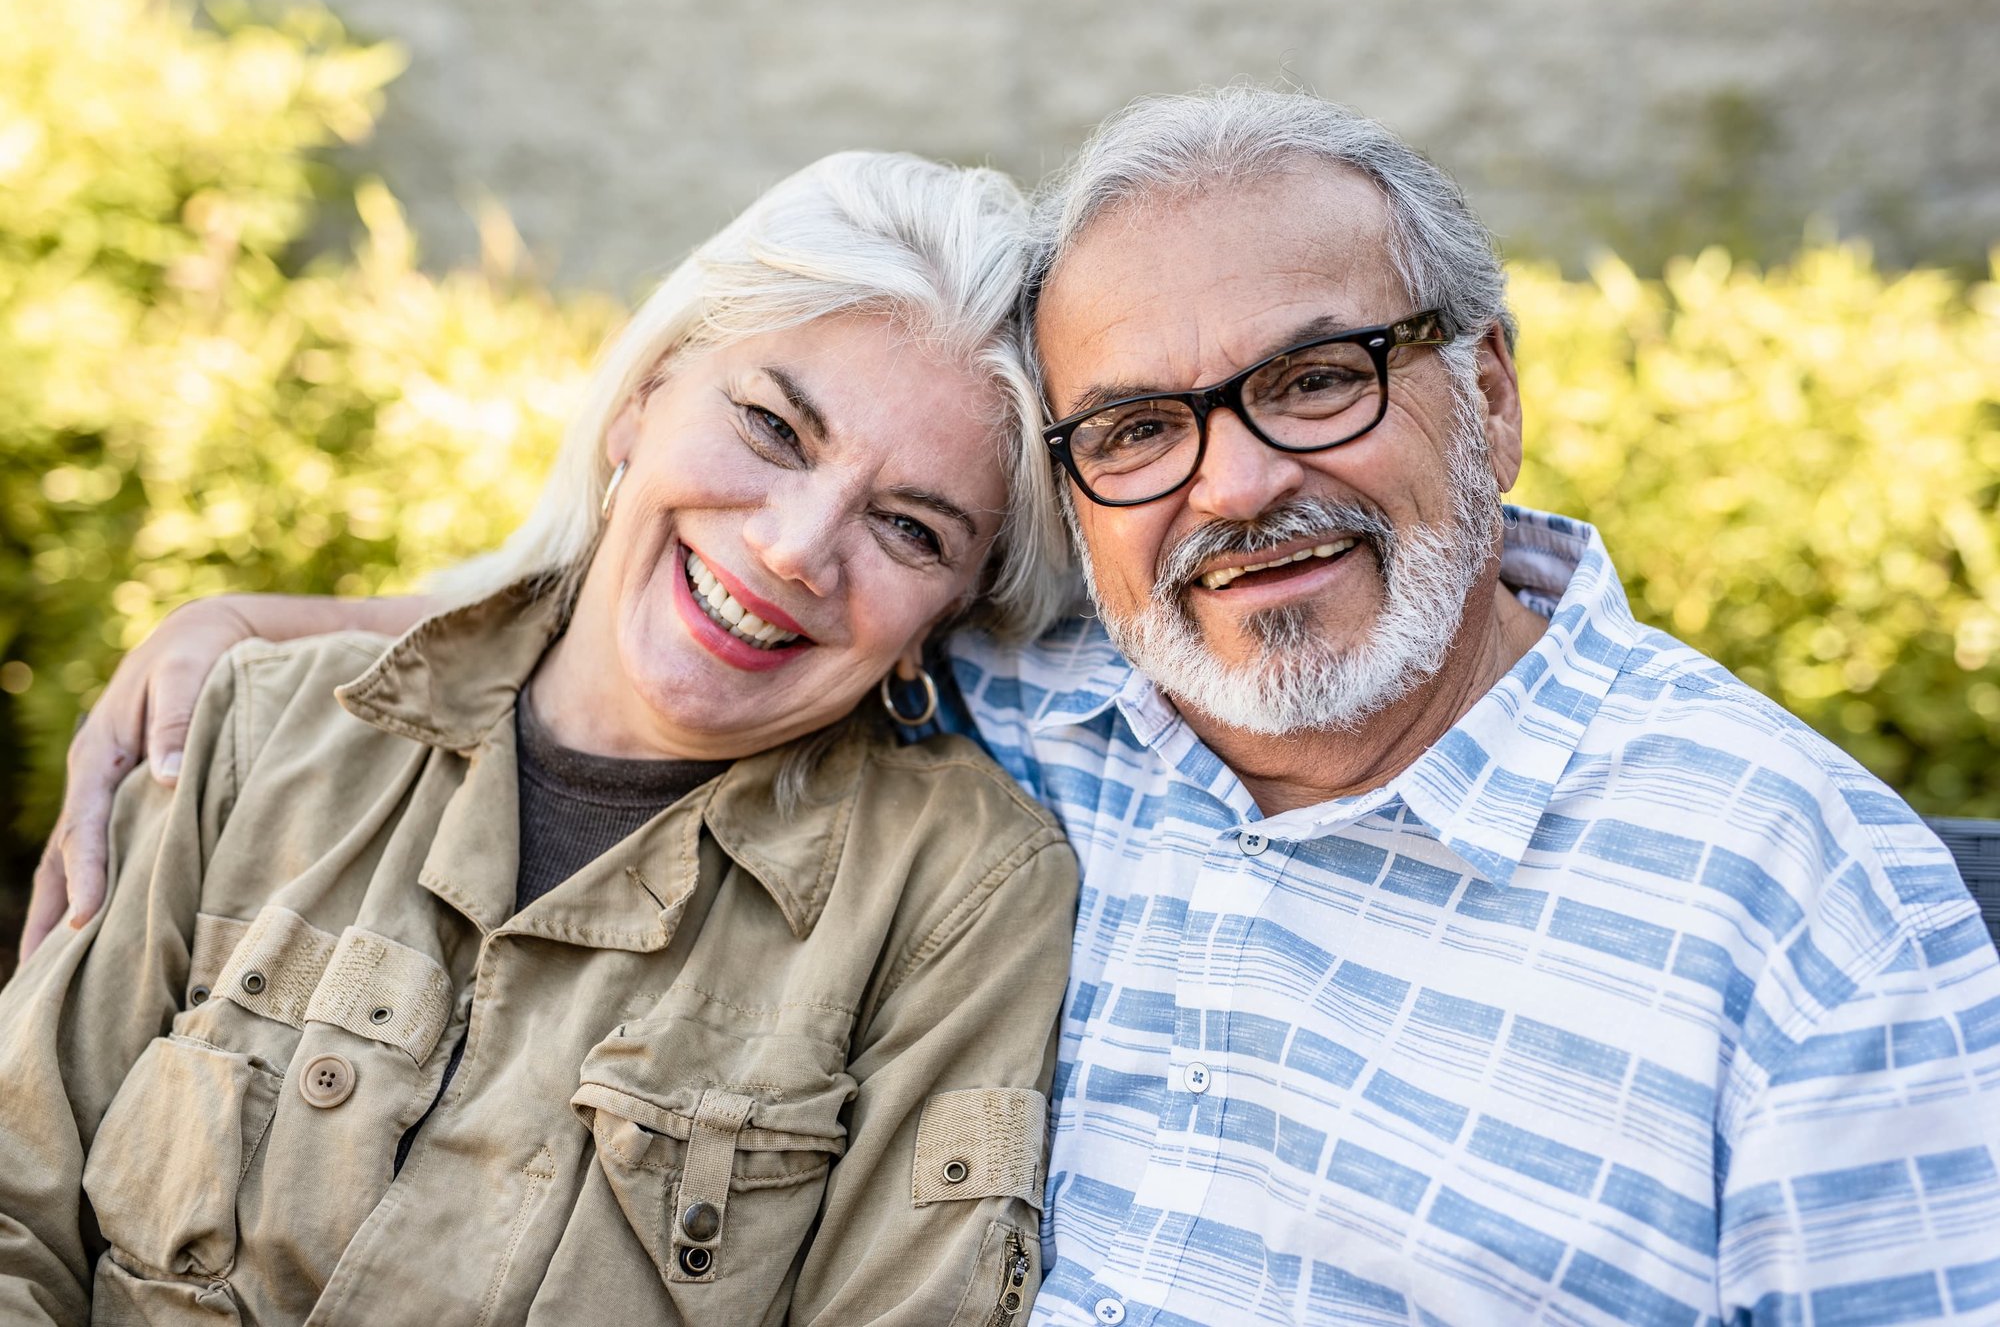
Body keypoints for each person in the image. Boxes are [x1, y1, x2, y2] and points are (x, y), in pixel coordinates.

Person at [26, 88, 2000, 1325]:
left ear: (1482, 388)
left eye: (1316, 379)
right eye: (1136, 427)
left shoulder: (1803, 901)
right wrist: (282, 635)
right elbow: (712, 616)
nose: (1229, 486)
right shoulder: (1081, 719)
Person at [0, 150, 1081, 1325]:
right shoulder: (253, 727)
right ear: (642, 398)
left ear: (953, 613)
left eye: (910, 529)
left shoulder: (960, 901)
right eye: (774, 428)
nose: (792, 548)